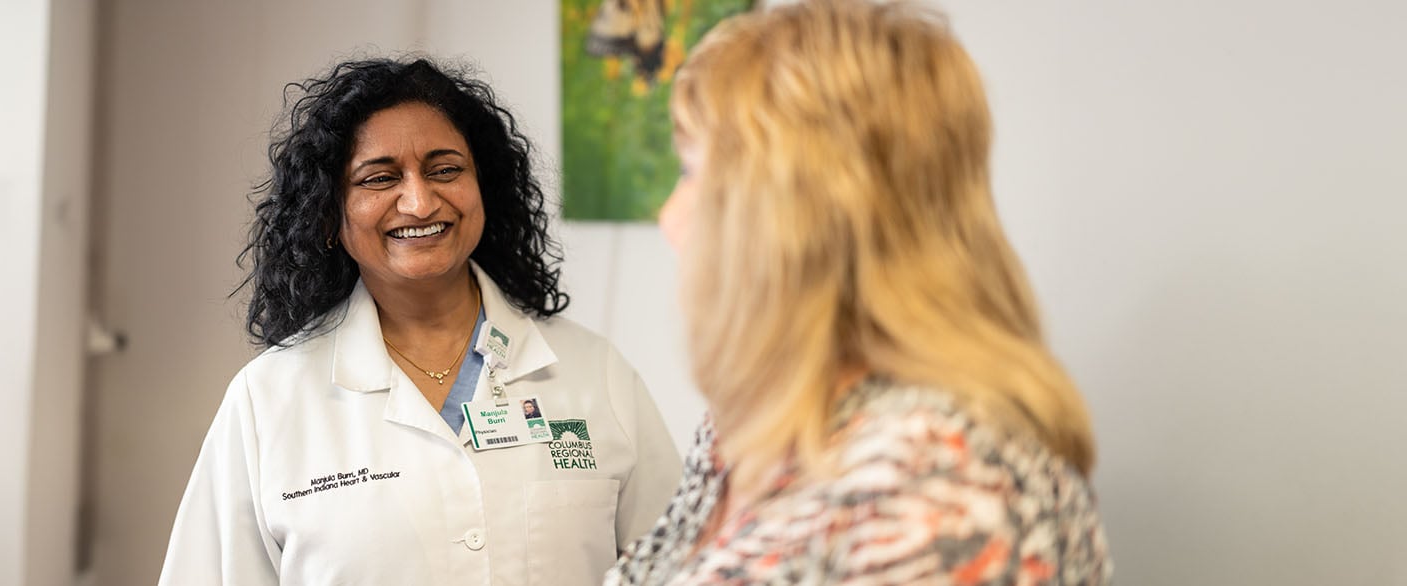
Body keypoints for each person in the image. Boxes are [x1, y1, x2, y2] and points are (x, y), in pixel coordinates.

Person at [607, 1, 1113, 584]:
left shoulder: (943, 494)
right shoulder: (751, 422)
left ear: (802, 217)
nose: (670, 218)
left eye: (695, 174)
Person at [158, 58, 682, 586]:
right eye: (380, 178)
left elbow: (685, 569)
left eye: (445, 169)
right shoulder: (268, 399)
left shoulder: (594, 373)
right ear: (328, 215)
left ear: (485, 189)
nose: (420, 200)